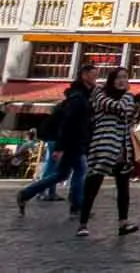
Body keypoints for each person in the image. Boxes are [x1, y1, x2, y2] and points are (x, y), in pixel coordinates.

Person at [17, 64, 97, 214]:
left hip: (73, 141)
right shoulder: (78, 98)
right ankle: (77, 205)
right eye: (93, 75)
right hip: (71, 142)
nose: (96, 79)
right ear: (84, 75)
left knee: (63, 174)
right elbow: (67, 123)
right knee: (79, 171)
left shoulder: (81, 96)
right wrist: (60, 147)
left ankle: (27, 193)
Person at [76, 67, 140, 237]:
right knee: (93, 186)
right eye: (118, 77)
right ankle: (83, 224)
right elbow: (116, 107)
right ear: (111, 80)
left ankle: (123, 223)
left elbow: (130, 117)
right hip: (103, 145)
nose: (122, 81)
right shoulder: (99, 94)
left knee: (123, 187)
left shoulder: (126, 97)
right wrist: (127, 100)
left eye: (125, 78)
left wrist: (127, 104)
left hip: (122, 146)